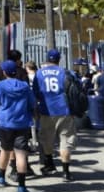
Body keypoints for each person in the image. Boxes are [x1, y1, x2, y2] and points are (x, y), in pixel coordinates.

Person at [0, 60, 36, 192]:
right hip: (22, 122)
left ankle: (1, 175)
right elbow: (32, 103)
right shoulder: (24, 86)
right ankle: (22, 187)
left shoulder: (1, 86)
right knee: (21, 154)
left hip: (6, 122)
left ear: (4, 72)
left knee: (5, 150)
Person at [33, 49, 77, 182]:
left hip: (46, 110)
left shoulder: (39, 73)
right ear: (59, 60)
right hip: (64, 110)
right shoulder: (66, 72)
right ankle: (66, 171)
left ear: (47, 59)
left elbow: (36, 93)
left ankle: (49, 164)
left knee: (47, 139)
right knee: (66, 140)